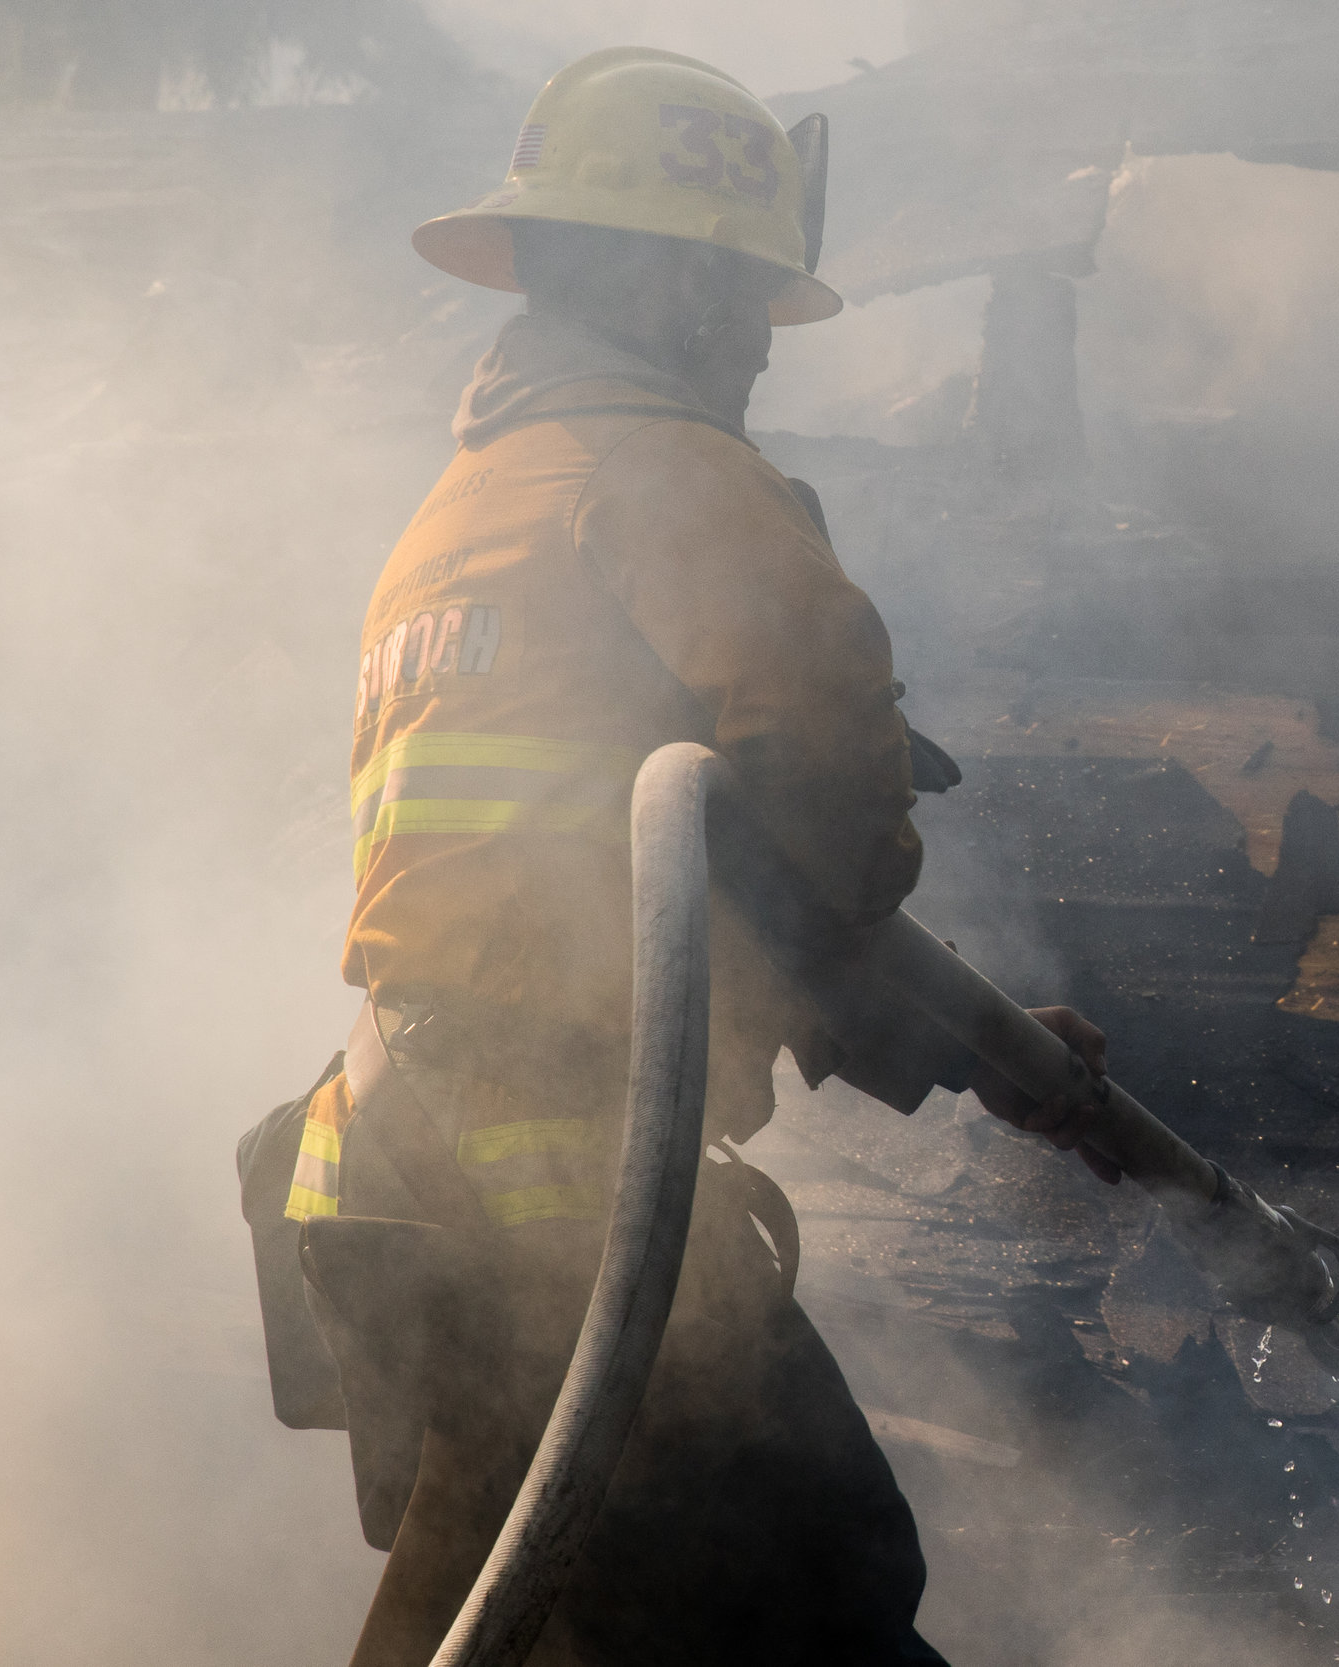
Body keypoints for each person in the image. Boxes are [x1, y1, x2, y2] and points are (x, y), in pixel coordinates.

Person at [276, 46, 1107, 1665]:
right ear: (659, 284)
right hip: (570, 1182)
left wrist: (967, 1054)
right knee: (825, 1597)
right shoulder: (672, 474)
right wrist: (922, 1020)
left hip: (381, 1163)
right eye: (737, 300)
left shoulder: (464, 511)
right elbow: (832, 825)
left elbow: (628, 877)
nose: (755, 351)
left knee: (510, 1615)